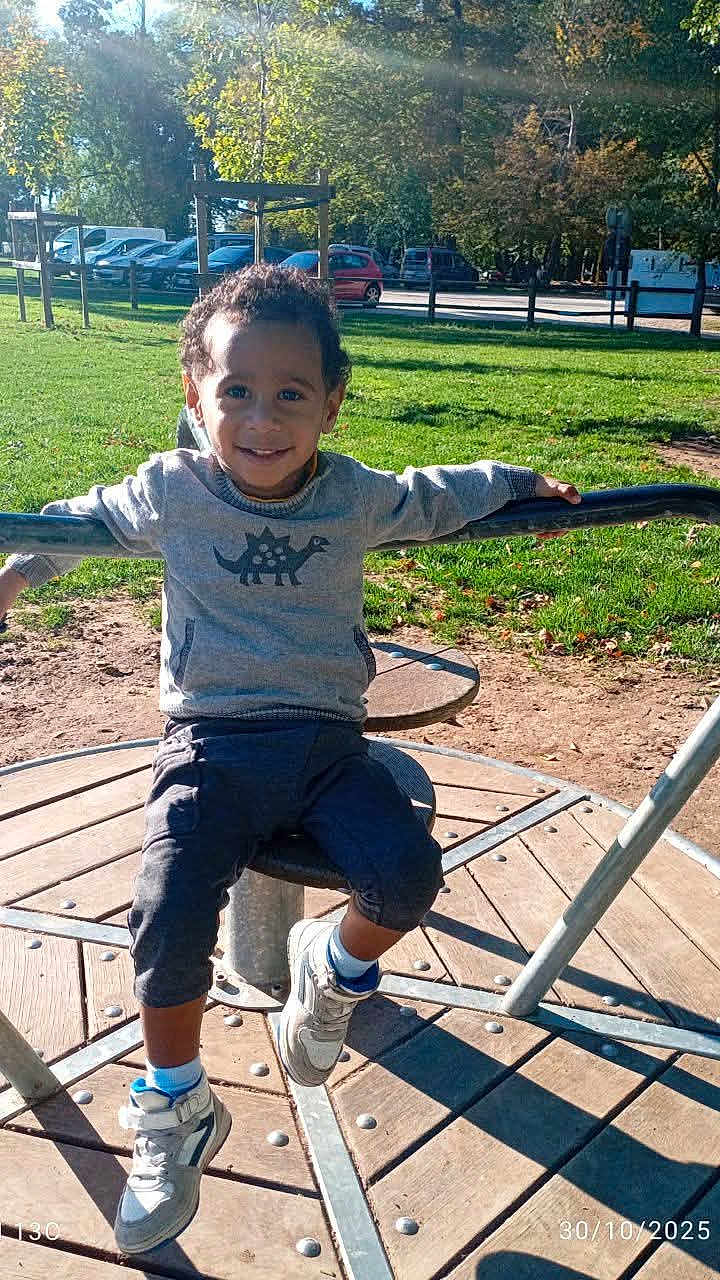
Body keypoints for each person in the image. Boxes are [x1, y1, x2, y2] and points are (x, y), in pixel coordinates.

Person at [0, 264, 581, 1255]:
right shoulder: (169, 490)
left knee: (407, 873)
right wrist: (12, 576)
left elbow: (439, 496)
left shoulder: (354, 495)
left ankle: (334, 967)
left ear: (331, 402)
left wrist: (523, 482)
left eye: (289, 394)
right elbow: (75, 525)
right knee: (167, 905)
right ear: (195, 393)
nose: (260, 419)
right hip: (210, 745)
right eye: (234, 391)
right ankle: (176, 1102)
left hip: (324, 743)